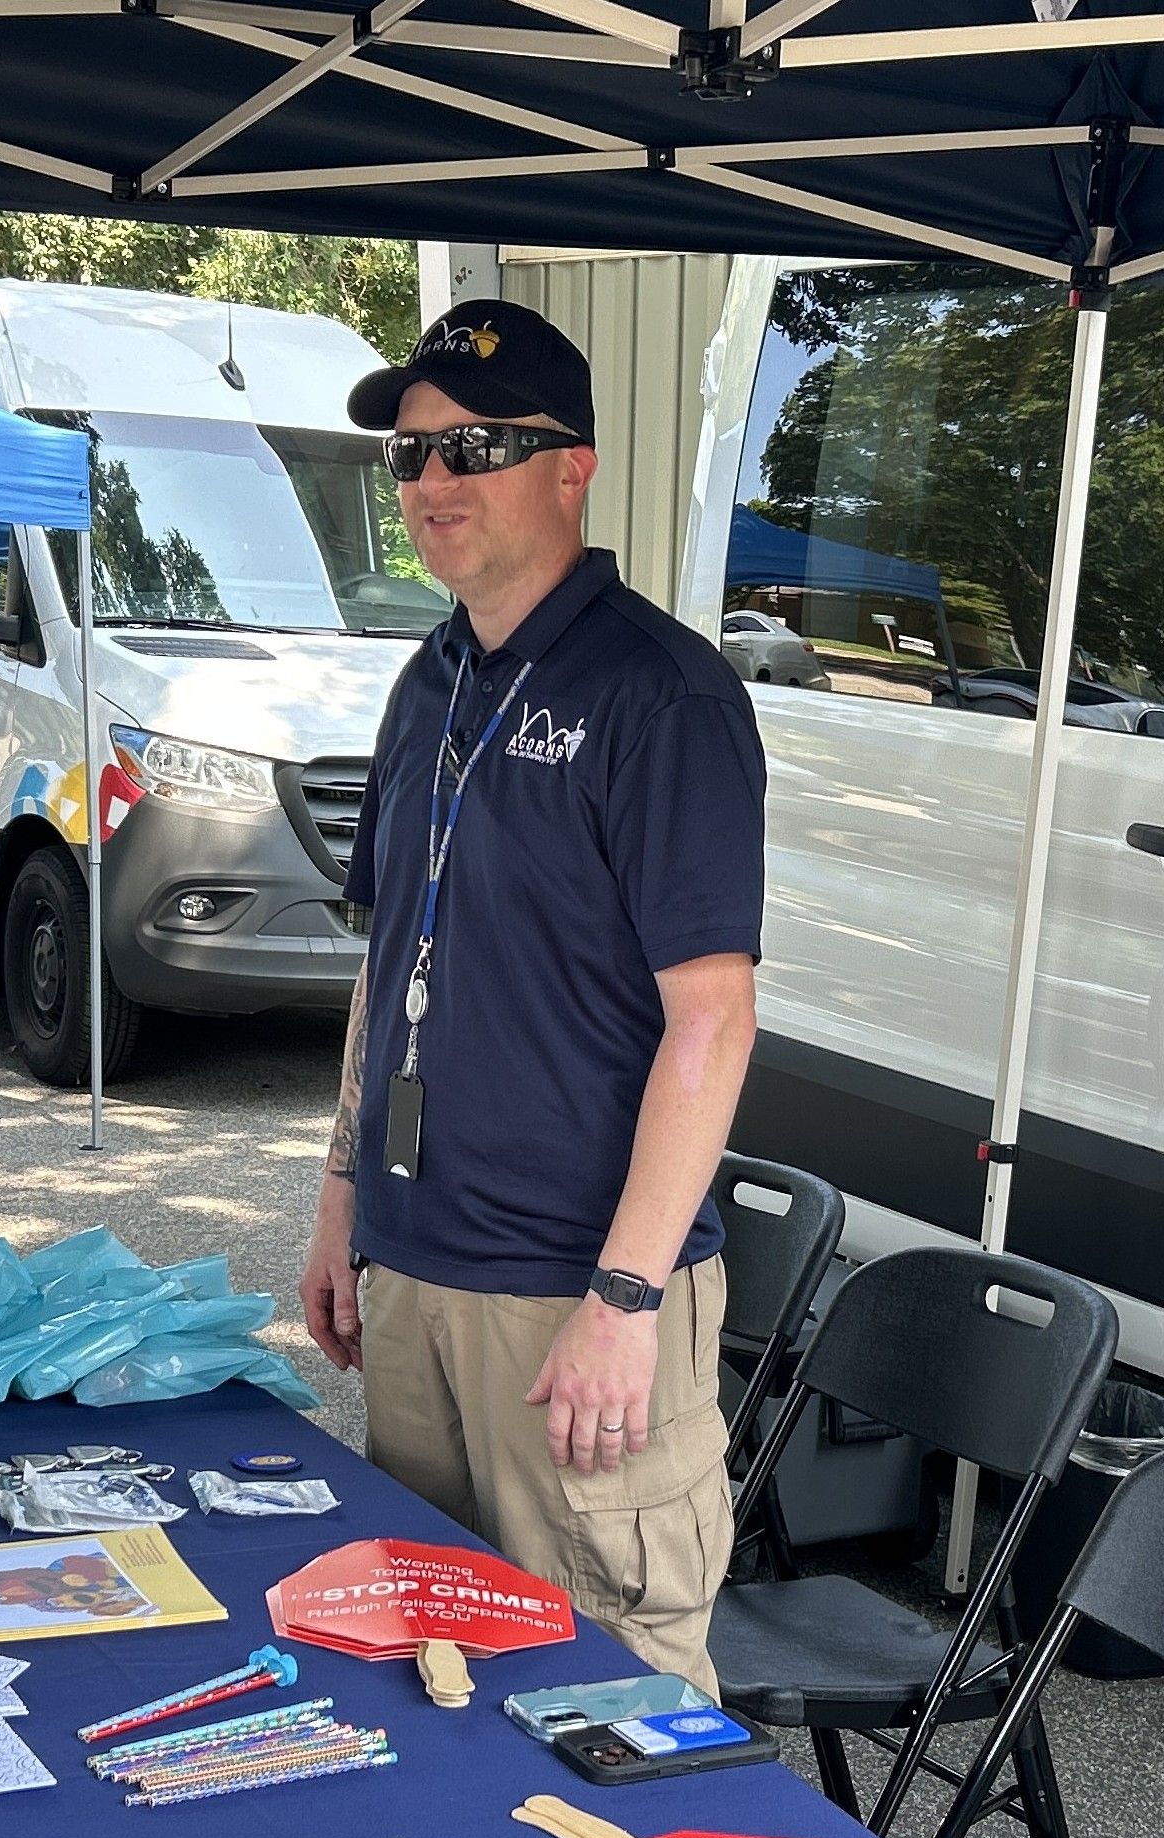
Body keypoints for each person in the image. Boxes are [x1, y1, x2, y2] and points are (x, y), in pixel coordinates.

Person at [299, 301, 766, 1689]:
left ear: (575, 467)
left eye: (477, 447)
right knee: (420, 1678)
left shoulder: (658, 693)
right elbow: (386, 968)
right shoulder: (428, 677)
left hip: (575, 1299)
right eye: (411, 455)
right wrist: (340, 1198)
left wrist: (625, 1297)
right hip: (414, 1270)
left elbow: (713, 1017)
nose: (433, 483)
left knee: (605, 1700)